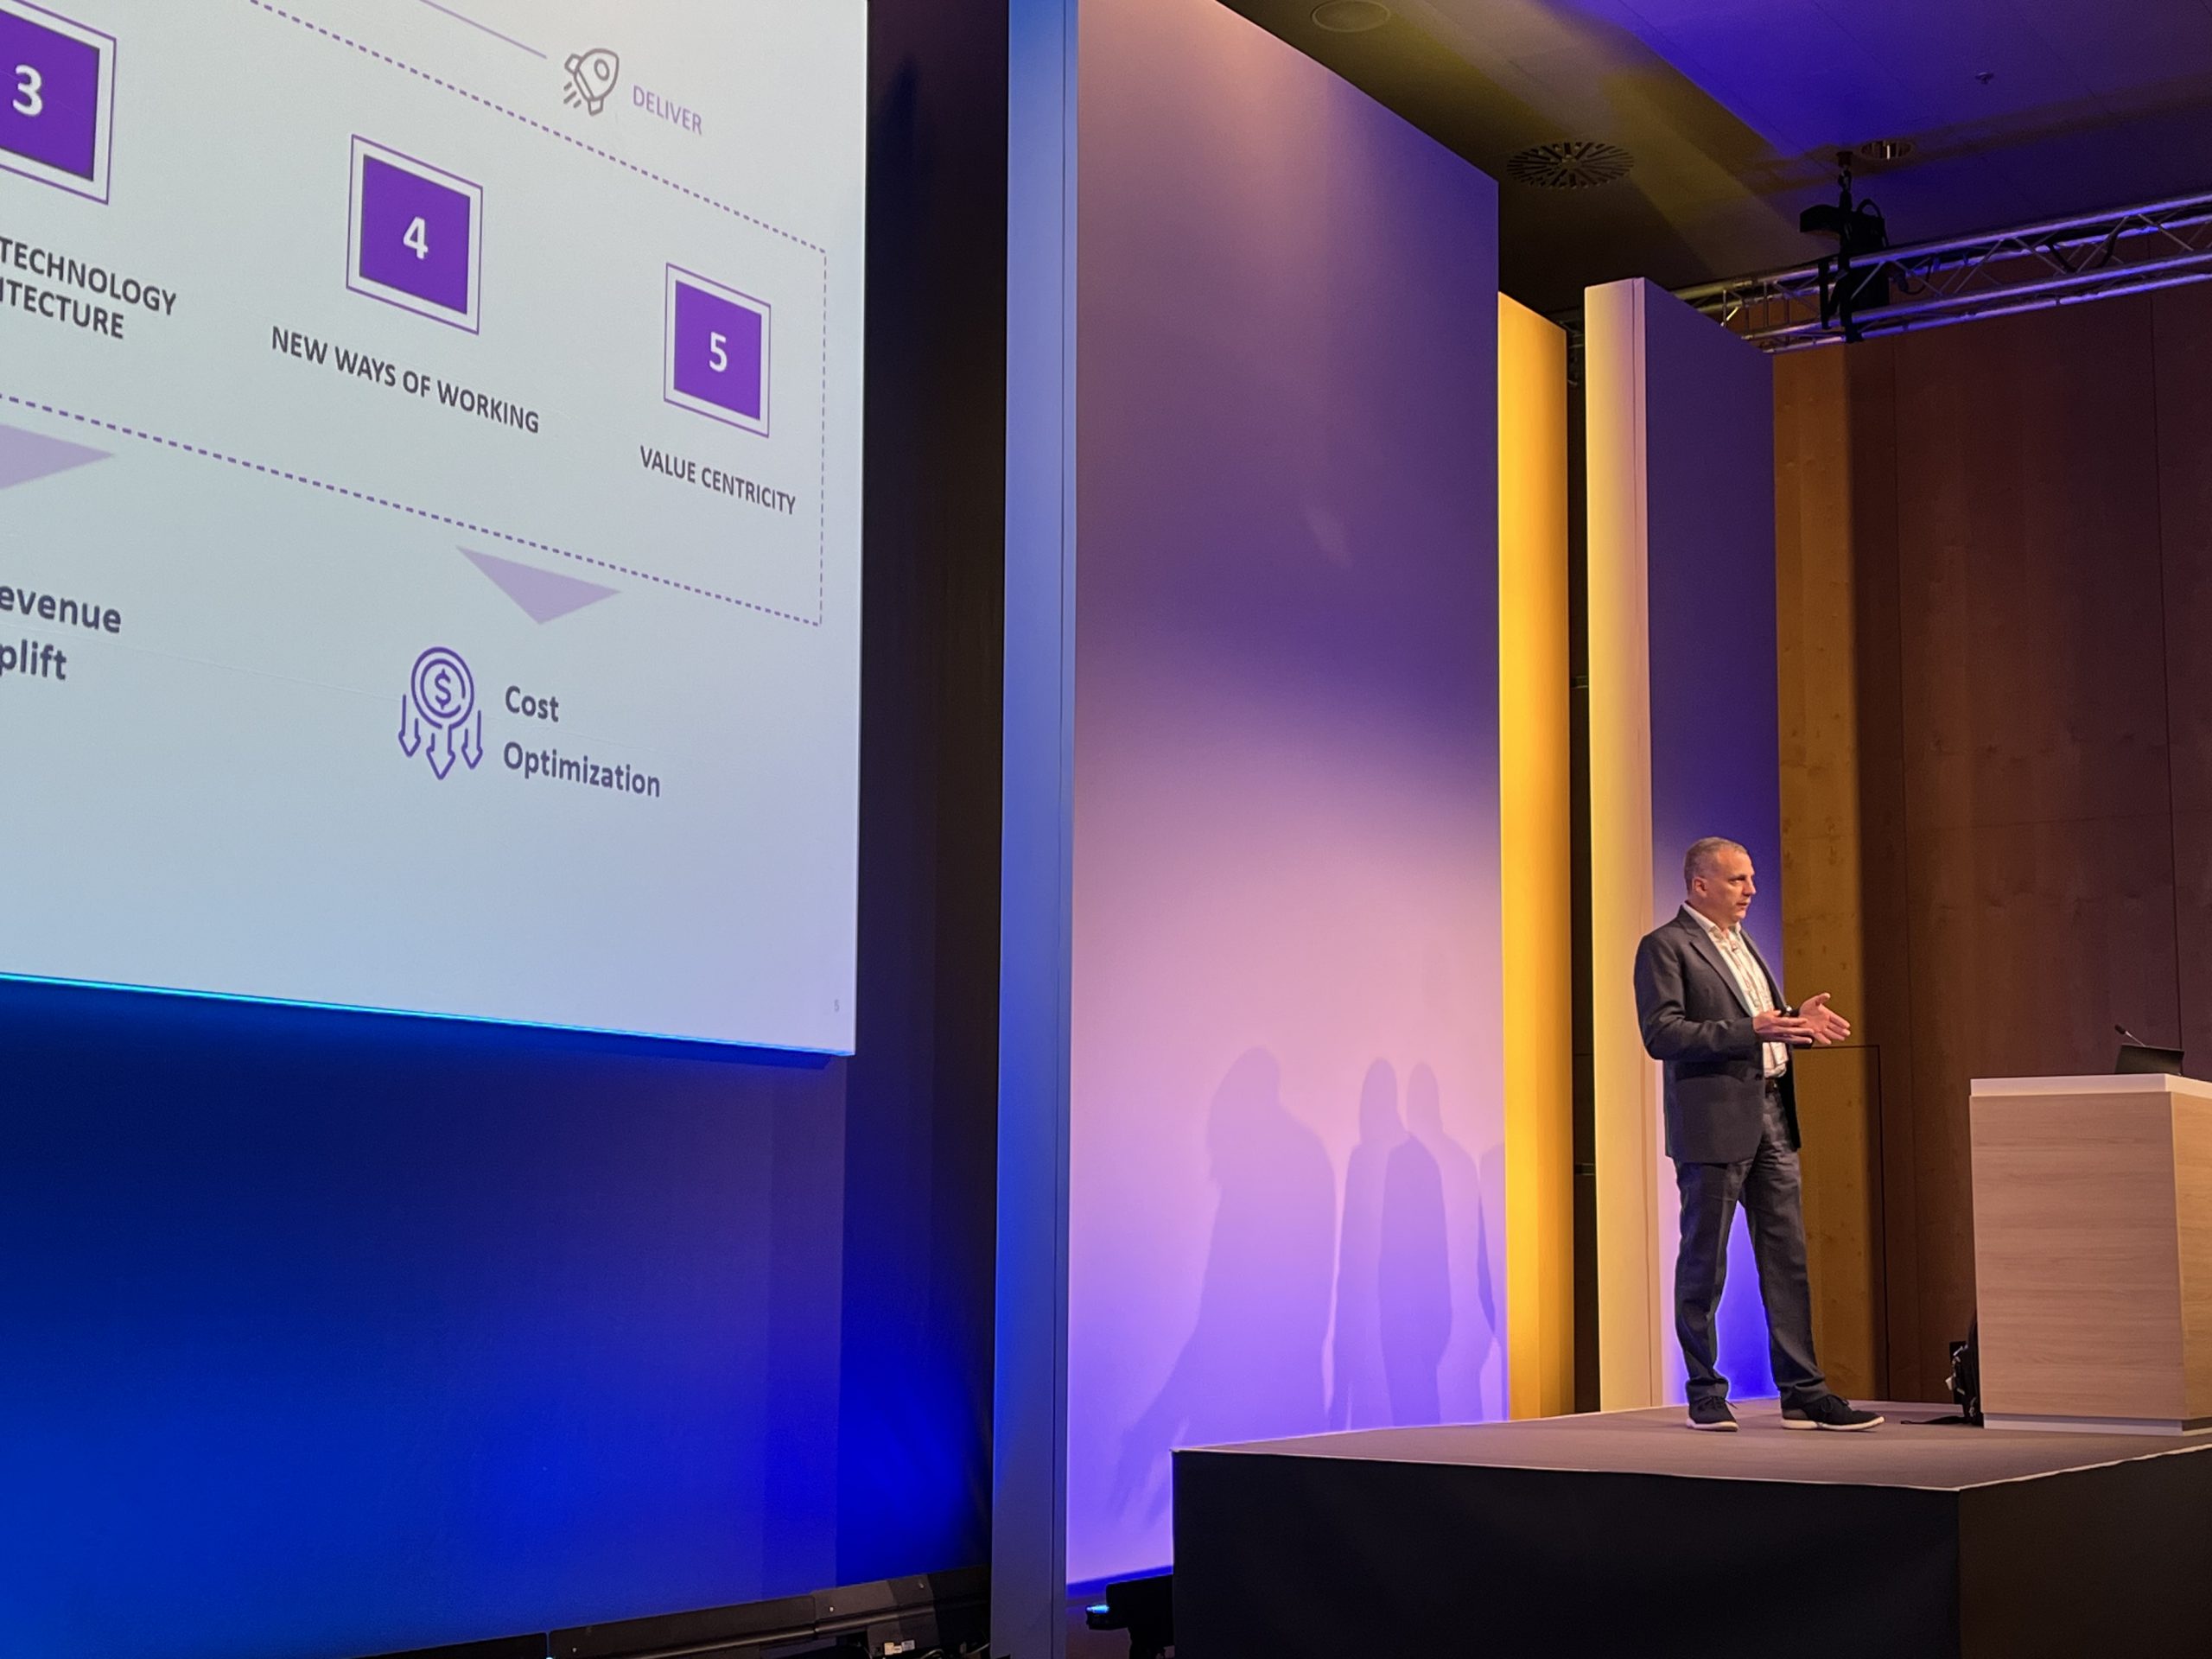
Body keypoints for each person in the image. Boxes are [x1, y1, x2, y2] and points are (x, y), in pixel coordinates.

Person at [1632, 837, 1884, 1433]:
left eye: (1750, 878)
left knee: (1787, 1259)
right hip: (1713, 1125)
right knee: (1706, 1262)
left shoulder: (1742, 943)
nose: (1751, 890)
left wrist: (1794, 1023)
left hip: (1772, 1114)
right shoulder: (1666, 946)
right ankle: (1705, 1390)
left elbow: (1758, 1023)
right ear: (1700, 885)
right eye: (1737, 880)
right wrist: (1755, 1028)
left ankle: (1803, 1392)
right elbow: (1663, 1033)